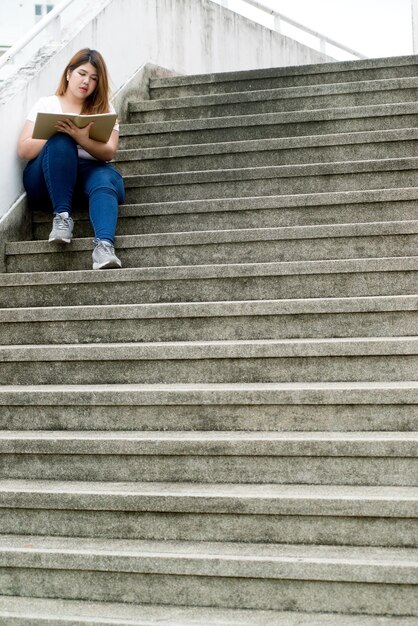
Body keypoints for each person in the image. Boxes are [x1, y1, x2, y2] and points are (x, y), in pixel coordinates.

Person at [17, 48, 125, 270]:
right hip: (47, 182)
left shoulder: (104, 109)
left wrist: (81, 138)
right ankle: (62, 217)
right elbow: (24, 150)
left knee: (105, 176)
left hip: (87, 177)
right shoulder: (46, 104)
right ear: (69, 74)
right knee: (60, 141)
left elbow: (109, 152)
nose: (87, 81)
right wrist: (56, 131)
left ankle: (104, 247)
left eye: (94, 78)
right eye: (82, 74)